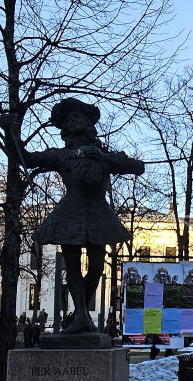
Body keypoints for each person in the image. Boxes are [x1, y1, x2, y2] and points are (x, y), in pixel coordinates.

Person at [13, 97, 145, 334]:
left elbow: (137, 166)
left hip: (97, 214)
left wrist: (103, 158)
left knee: (96, 267)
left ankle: (81, 313)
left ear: (87, 124)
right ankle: (82, 316)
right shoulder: (61, 155)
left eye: (78, 118)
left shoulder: (102, 154)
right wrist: (9, 131)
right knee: (72, 265)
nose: (74, 121)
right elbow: (27, 157)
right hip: (70, 214)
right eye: (69, 119)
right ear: (65, 128)